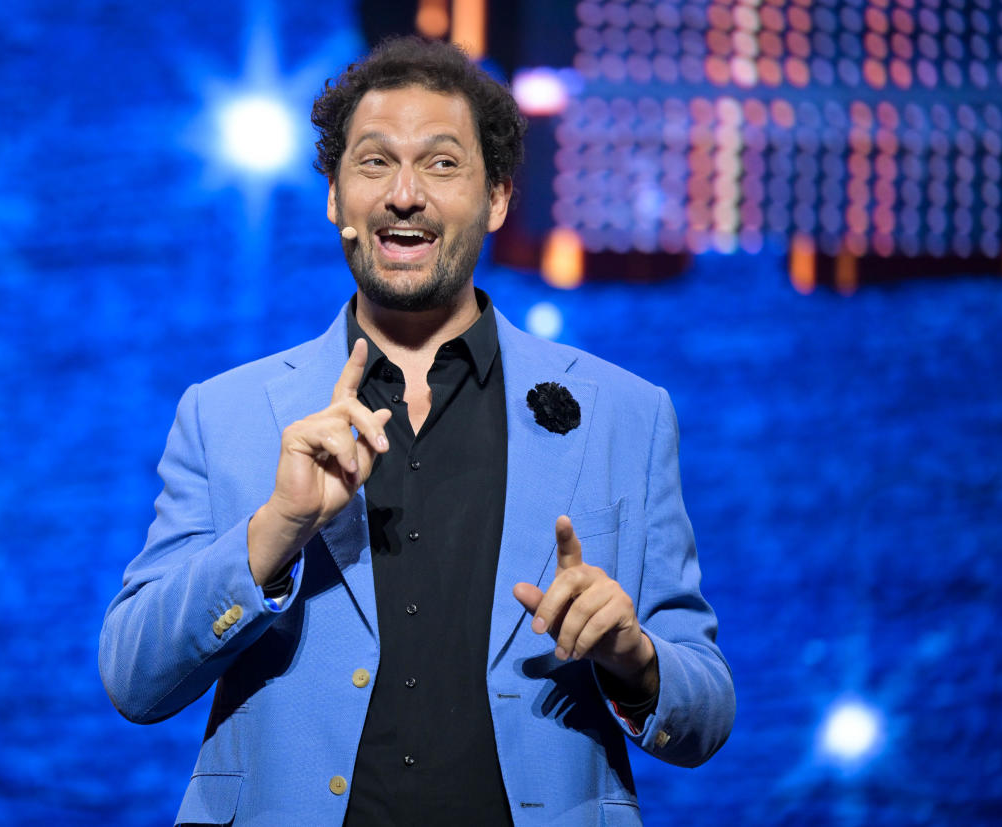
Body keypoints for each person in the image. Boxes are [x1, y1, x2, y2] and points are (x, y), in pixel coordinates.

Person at [99, 36, 733, 826]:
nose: (405, 194)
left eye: (441, 163)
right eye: (373, 163)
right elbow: (134, 678)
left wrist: (633, 658)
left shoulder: (624, 414)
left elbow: (704, 713)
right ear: (335, 197)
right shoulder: (224, 411)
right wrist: (274, 532)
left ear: (497, 197)